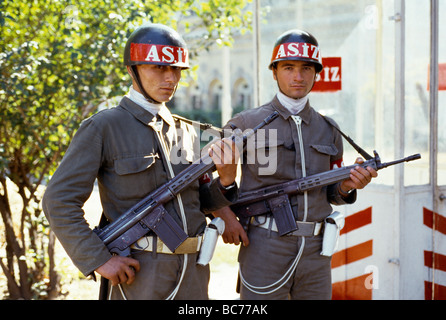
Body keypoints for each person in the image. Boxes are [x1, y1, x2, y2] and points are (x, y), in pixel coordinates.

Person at [42, 23, 239, 300]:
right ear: (132, 69)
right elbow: (58, 200)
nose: (170, 78)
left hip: (193, 274)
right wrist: (99, 259)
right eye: (158, 68)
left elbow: (198, 203)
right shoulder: (104, 127)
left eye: (176, 69)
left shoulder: (184, 130)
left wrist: (227, 181)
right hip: (140, 274)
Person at [213, 29, 378, 300]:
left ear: (316, 73)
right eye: (288, 68)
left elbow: (332, 193)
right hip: (265, 247)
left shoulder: (328, 128)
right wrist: (227, 216)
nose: (298, 77)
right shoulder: (245, 123)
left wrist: (347, 186)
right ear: (275, 72)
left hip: (316, 252)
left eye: (306, 68)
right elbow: (203, 182)